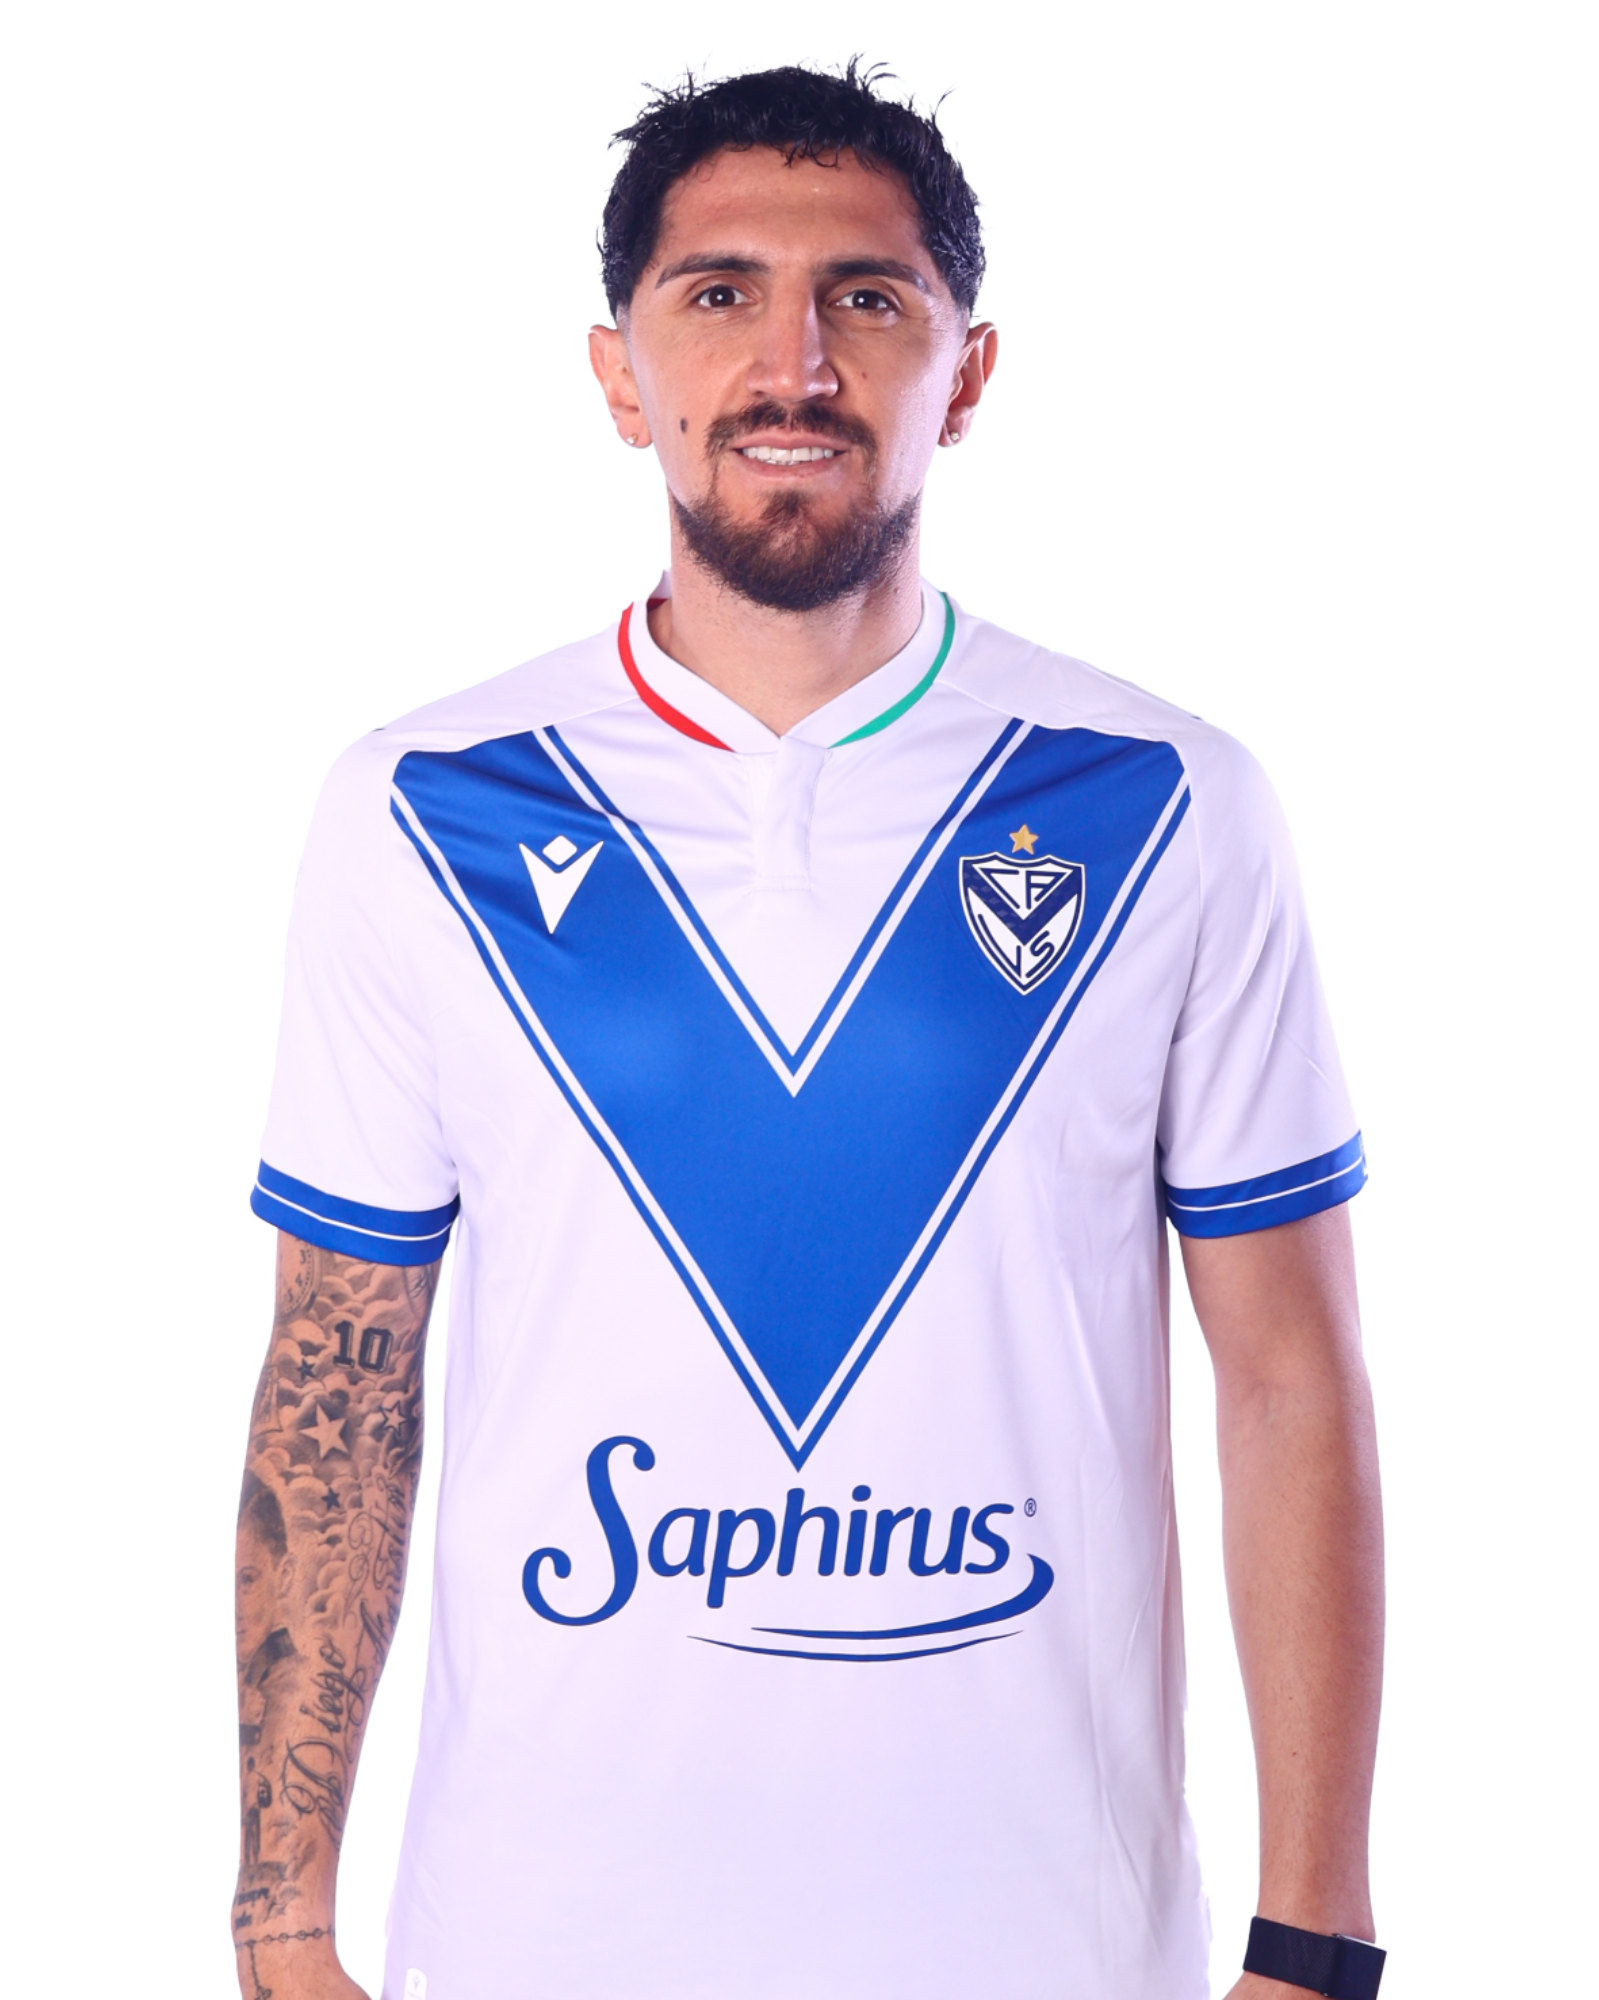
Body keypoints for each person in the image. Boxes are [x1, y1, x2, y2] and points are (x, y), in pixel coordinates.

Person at [233, 61, 1385, 2000]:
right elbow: (338, 1368)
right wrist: (278, 1923)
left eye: (865, 296)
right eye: (718, 294)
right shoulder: (419, 808)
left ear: (967, 369)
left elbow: (1289, 1375)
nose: (793, 363)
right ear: (619, 375)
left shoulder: (1165, 801)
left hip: (1045, 1949)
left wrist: (1316, 1938)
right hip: (533, 1947)